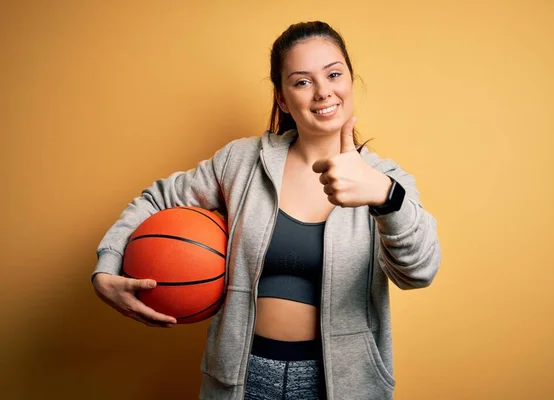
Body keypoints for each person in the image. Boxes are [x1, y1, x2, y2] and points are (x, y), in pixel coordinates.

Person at [92, 21, 441, 400]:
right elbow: (156, 199)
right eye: (302, 81)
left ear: (350, 81)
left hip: (342, 385)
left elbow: (419, 273)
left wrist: (385, 197)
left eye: (334, 74)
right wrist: (107, 266)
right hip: (242, 377)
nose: (323, 91)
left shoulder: (386, 180)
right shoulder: (240, 161)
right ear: (282, 98)